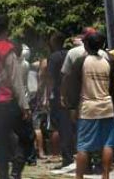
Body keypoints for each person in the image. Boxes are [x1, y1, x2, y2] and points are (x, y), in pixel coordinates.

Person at [0, 14, 32, 179]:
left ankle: (3, 175)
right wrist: (25, 106)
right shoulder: (7, 49)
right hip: (7, 101)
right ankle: (16, 171)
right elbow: (15, 81)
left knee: (1, 141)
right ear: (7, 29)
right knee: (27, 136)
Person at [67, 32, 114, 179]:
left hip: (88, 109)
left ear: (86, 45)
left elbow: (74, 86)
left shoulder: (81, 61)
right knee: (108, 144)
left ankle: (79, 177)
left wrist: (72, 107)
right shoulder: (107, 62)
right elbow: (112, 88)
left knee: (83, 146)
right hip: (107, 107)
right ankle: (106, 175)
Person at [47, 32, 73, 170]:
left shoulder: (53, 57)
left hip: (57, 94)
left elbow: (50, 78)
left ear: (54, 42)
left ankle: (67, 157)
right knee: (69, 125)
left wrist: (48, 96)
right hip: (70, 93)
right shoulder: (69, 54)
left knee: (62, 127)